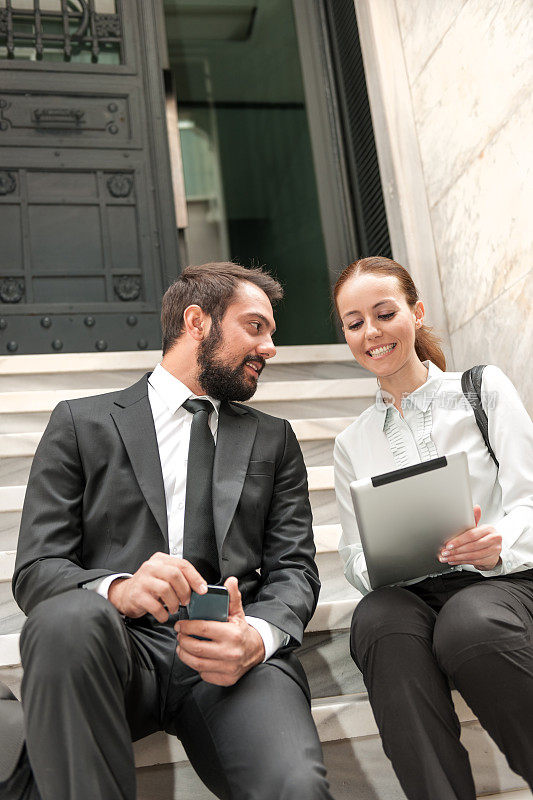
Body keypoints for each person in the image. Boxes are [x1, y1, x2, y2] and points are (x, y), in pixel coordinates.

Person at [6, 262, 332, 800]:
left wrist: (257, 636)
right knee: (65, 620)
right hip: (112, 648)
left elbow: (294, 568)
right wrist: (119, 589)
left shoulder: (274, 439)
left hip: (229, 655)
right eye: (256, 327)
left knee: (294, 786)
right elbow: (38, 568)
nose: (271, 347)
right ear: (196, 321)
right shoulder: (80, 423)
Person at [333, 256, 533, 800]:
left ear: (416, 313)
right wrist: (378, 557)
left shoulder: (481, 390)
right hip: (408, 592)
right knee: (376, 620)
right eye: (354, 323)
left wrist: (498, 546)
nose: (370, 333)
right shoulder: (351, 443)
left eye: (384, 313)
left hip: (499, 581)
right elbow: (352, 556)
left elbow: (529, 501)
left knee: (469, 624)